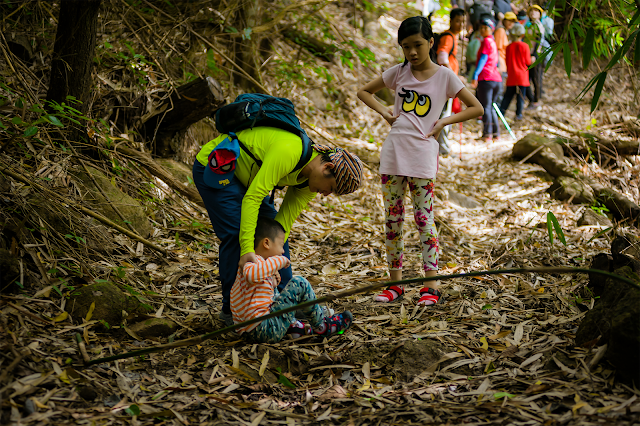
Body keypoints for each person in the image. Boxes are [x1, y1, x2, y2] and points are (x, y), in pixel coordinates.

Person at [356, 16, 483, 306]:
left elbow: (477, 108)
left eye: (417, 45)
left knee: (425, 220)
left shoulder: (444, 76)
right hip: (393, 155)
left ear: (430, 43)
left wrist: (443, 122)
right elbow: (363, 91)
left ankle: (431, 285)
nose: (411, 52)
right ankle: (395, 284)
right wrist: (386, 113)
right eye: (405, 47)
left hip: (423, 156)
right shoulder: (399, 72)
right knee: (393, 221)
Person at [192, 128, 364, 326]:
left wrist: (273, 262)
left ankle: (284, 301)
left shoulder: (309, 184)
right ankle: (231, 311)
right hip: (219, 164)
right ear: (327, 168)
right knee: (237, 234)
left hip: (248, 176)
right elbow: (253, 198)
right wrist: (248, 249)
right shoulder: (289, 152)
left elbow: (281, 226)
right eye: (331, 188)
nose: (325, 194)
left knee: (274, 235)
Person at [230, 217, 353, 343]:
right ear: (266, 243)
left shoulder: (252, 267)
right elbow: (252, 275)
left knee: (277, 292)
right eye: (281, 246)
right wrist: (280, 260)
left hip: (248, 332)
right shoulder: (252, 263)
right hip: (264, 329)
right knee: (299, 283)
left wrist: (271, 284)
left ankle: (295, 329)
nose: (283, 251)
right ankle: (322, 326)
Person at [435, 7, 466, 155]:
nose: (460, 25)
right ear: (451, 21)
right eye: (458, 21)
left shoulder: (453, 37)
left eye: (463, 22)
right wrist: (453, 76)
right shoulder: (448, 37)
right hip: (444, 83)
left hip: (447, 83)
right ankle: (443, 148)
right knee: (444, 116)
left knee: (445, 114)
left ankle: (442, 146)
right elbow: (442, 57)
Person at [472, 17, 503, 140]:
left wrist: (475, 75)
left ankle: (487, 134)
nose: (483, 30)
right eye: (481, 28)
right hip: (496, 79)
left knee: (486, 107)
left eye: (486, 28)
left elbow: (483, 59)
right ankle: (496, 134)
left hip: (486, 78)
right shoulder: (494, 43)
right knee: (491, 106)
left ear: (492, 29)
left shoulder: (486, 42)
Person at [499, 23, 531, 120]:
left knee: (508, 95)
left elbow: (507, 61)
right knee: (521, 96)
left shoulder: (509, 47)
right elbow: (528, 61)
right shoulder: (525, 46)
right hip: (522, 75)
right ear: (522, 34)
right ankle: (518, 114)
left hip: (512, 74)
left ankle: (501, 113)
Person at [524, 4, 547, 109]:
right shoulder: (529, 25)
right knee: (526, 78)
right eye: (531, 11)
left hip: (536, 55)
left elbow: (538, 41)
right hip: (527, 54)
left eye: (536, 11)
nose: (533, 13)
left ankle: (536, 101)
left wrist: (534, 55)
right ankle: (531, 98)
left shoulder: (538, 26)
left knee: (536, 78)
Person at [493, 12, 518, 78]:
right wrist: (498, 66)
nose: (511, 23)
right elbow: (497, 49)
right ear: (504, 20)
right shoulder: (501, 30)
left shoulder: (506, 32)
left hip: (504, 64)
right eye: (509, 20)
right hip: (500, 64)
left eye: (513, 21)